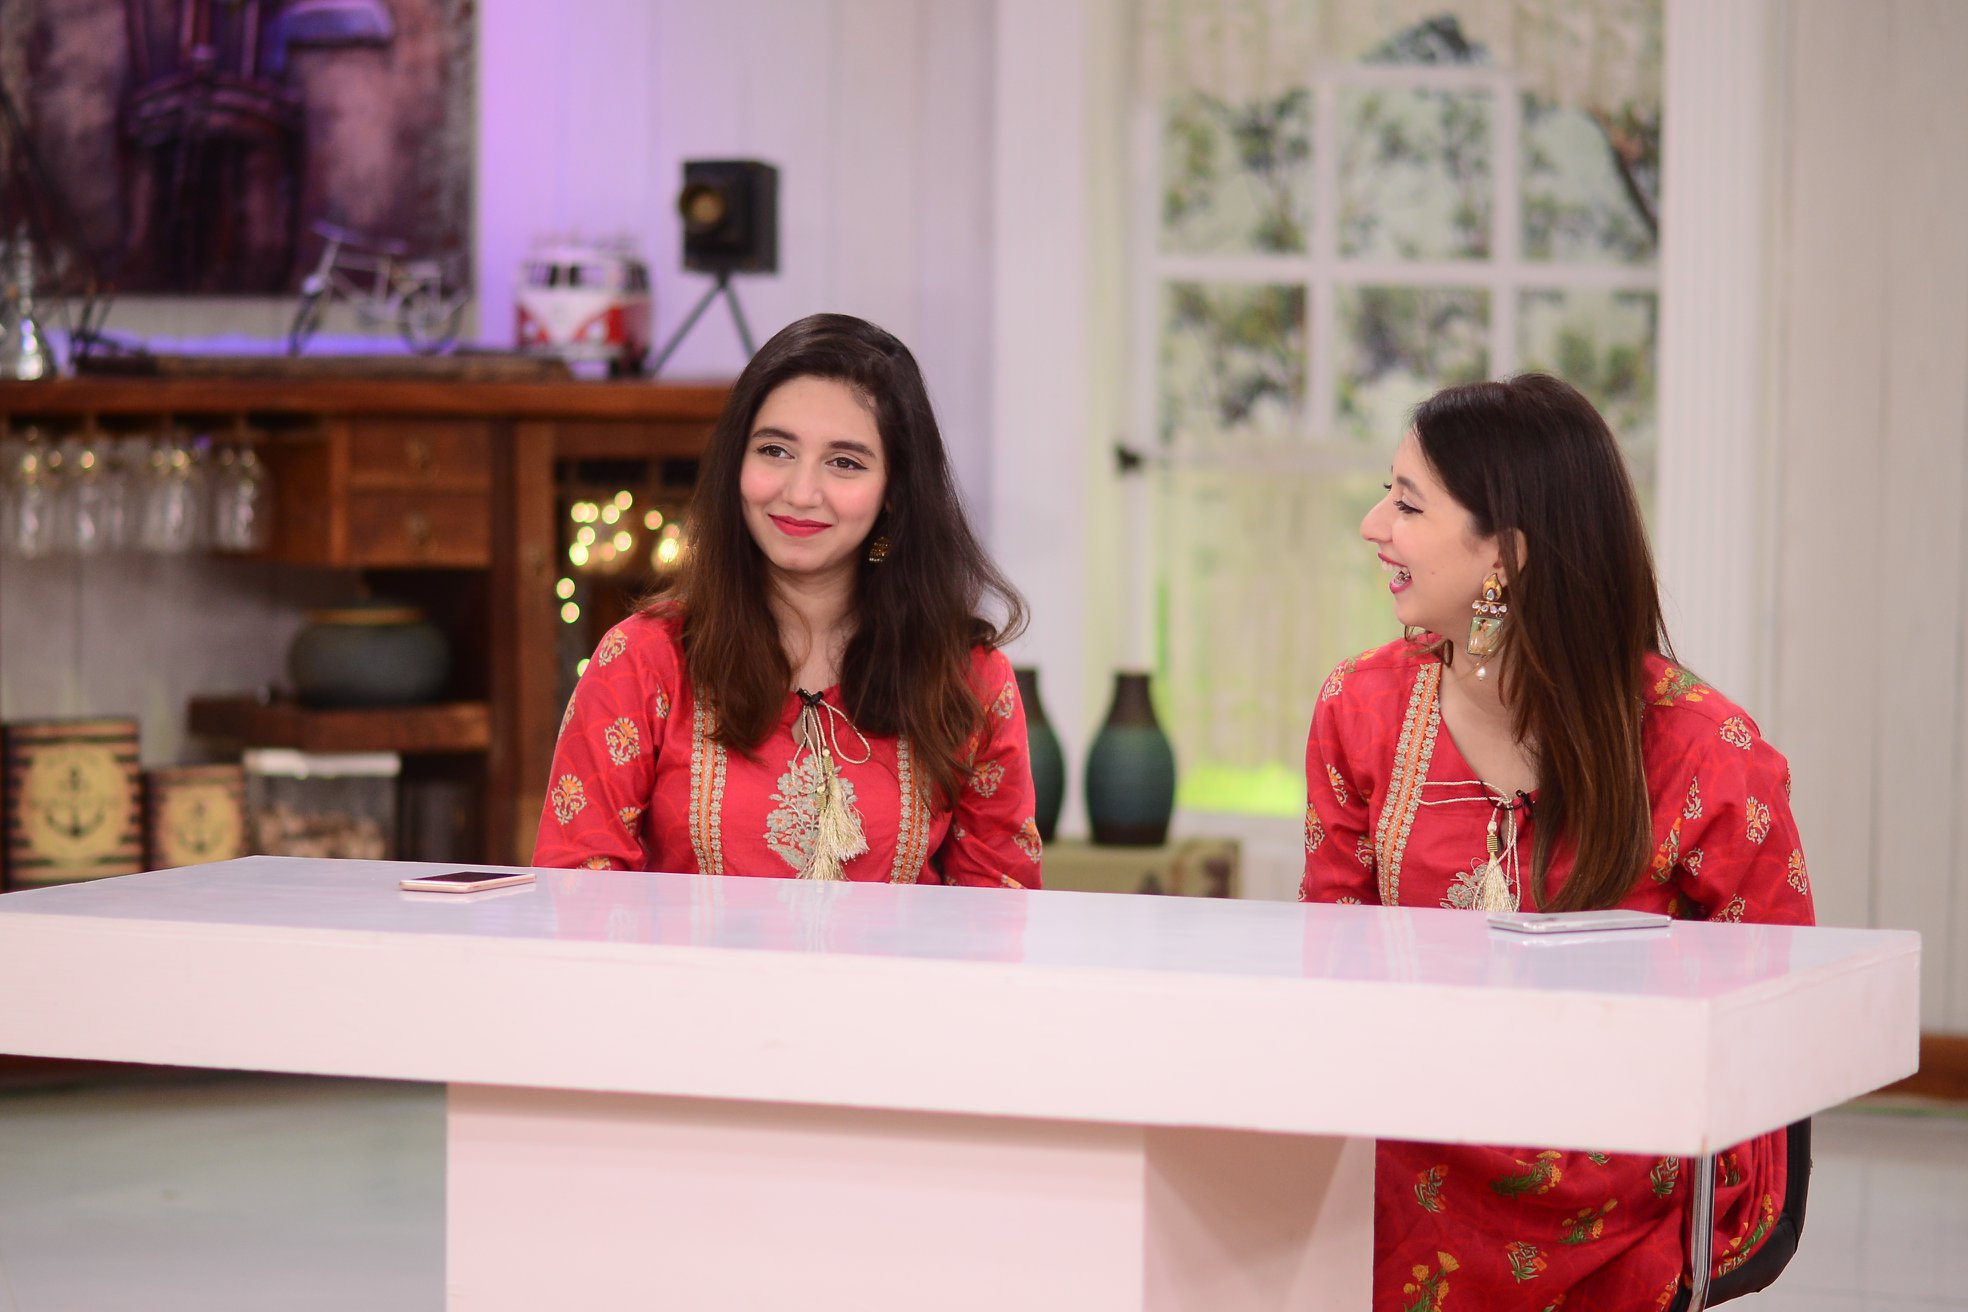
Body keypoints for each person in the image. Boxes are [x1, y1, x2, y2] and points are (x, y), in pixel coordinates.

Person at [1301, 374, 1814, 1310]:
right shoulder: (1360, 710)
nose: (1374, 524)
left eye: (1408, 503)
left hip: (1620, 1196)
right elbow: (1332, 971)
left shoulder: (1708, 752)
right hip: (1403, 1165)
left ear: (1510, 554)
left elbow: (1779, 1021)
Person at [534, 313, 1043, 887]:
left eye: (845, 462)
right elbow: (576, 898)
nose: (800, 493)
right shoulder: (643, 661)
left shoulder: (967, 680)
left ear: (895, 492)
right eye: (775, 451)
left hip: (895, 982)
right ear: (736, 464)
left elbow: (998, 917)